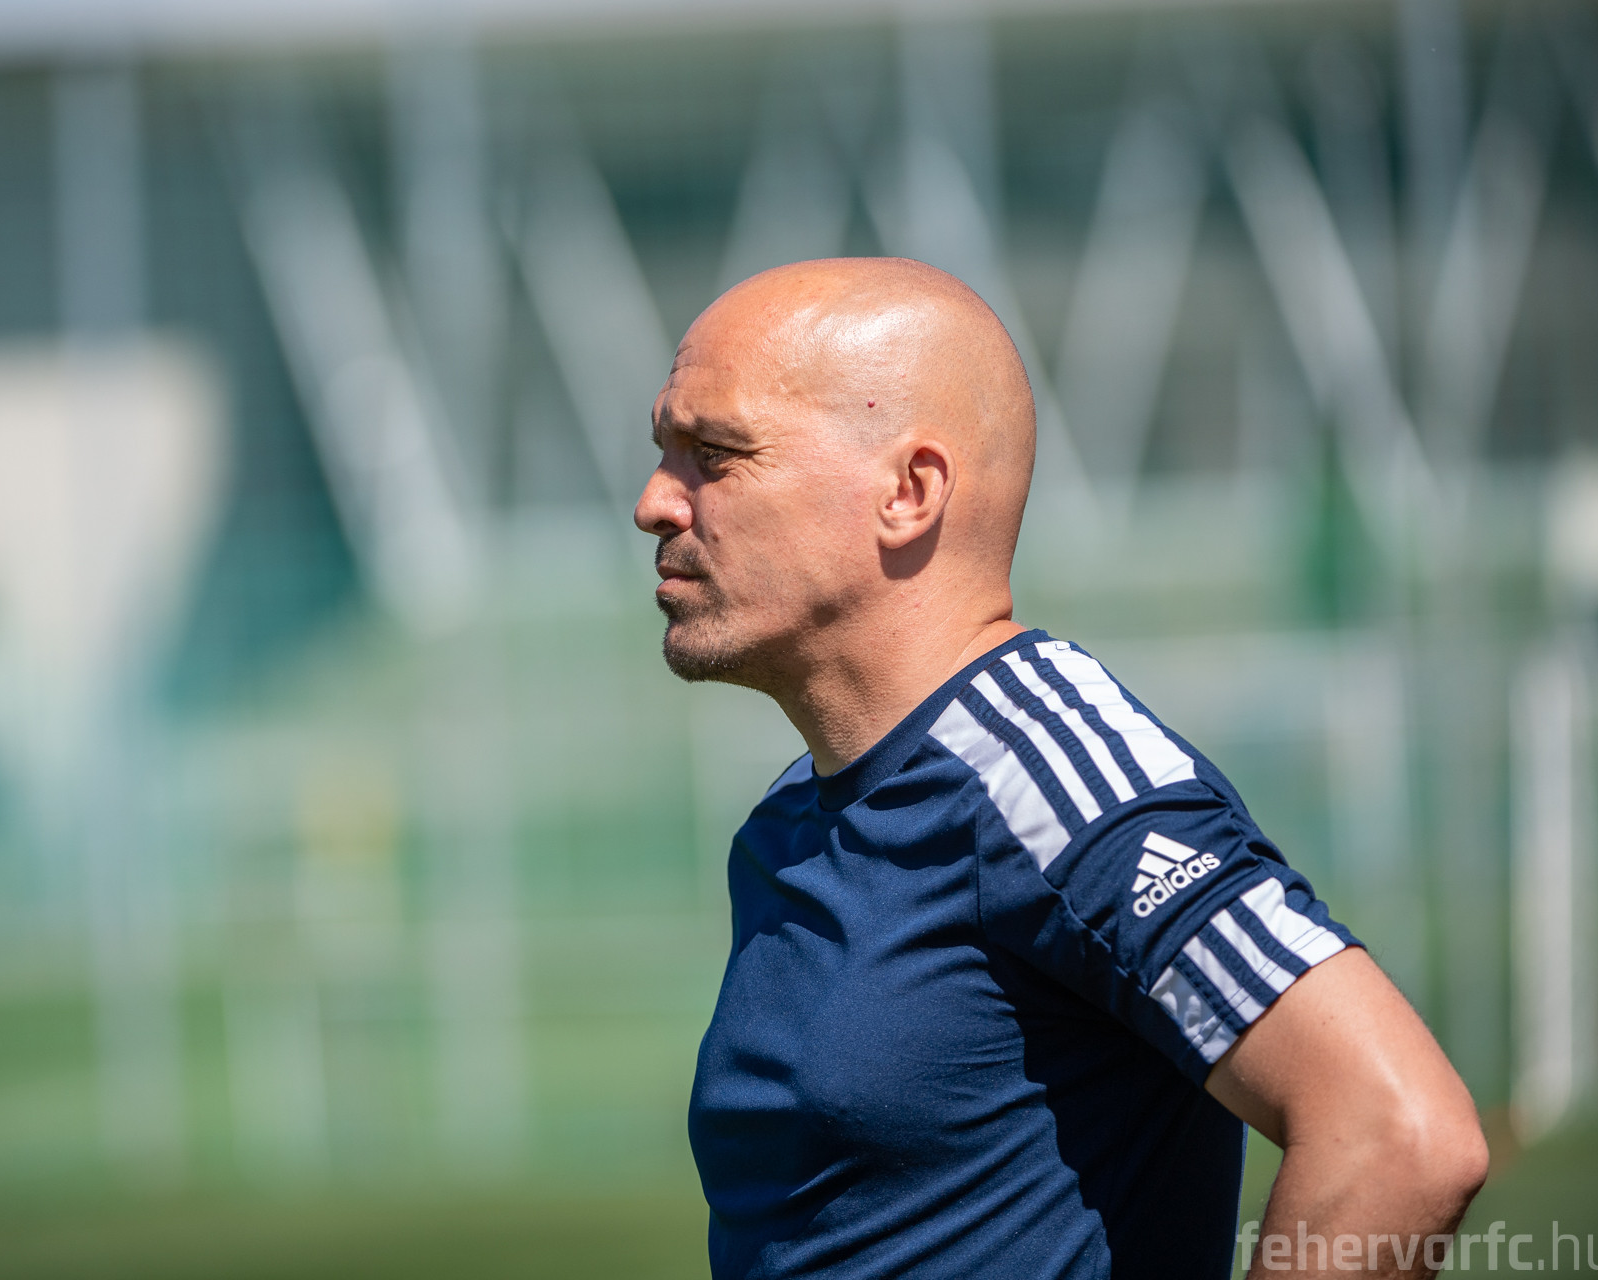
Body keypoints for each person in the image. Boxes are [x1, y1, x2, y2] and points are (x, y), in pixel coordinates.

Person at [633, 258, 1487, 1279]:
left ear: (908, 492)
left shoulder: (1047, 780)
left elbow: (1400, 1135)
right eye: (664, 452)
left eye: (714, 456)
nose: (655, 503)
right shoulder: (788, 823)